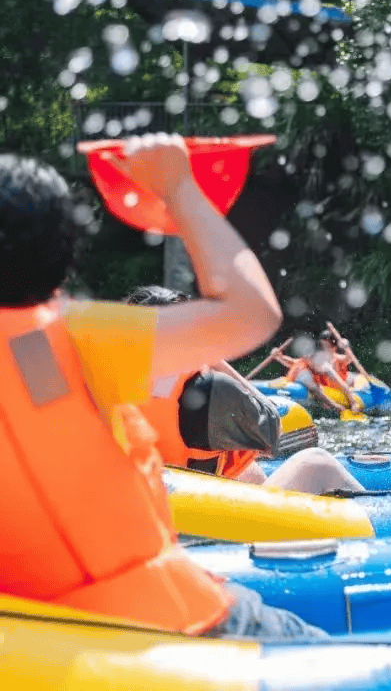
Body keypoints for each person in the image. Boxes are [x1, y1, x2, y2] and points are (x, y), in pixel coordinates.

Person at [0, 135, 322, 637]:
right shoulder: (74, 340)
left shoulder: (51, 352)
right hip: (161, 619)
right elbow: (253, 314)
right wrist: (179, 188)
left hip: (32, 622)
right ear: (64, 255)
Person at [126, 286, 365, 495]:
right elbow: (273, 428)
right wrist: (213, 359)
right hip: (206, 516)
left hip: (155, 501)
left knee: (250, 471)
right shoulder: (208, 390)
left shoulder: (111, 388)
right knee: (318, 461)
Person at [273, 330, 362, 415]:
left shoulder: (330, 363)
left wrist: (353, 402)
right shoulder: (306, 365)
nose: (324, 349)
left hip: (336, 388)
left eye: (326, 346)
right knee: (311, 382)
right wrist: (278, 356)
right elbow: (291, 362)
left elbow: (343, 381)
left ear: (334, 348)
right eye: (322, 346)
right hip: (312, 386)